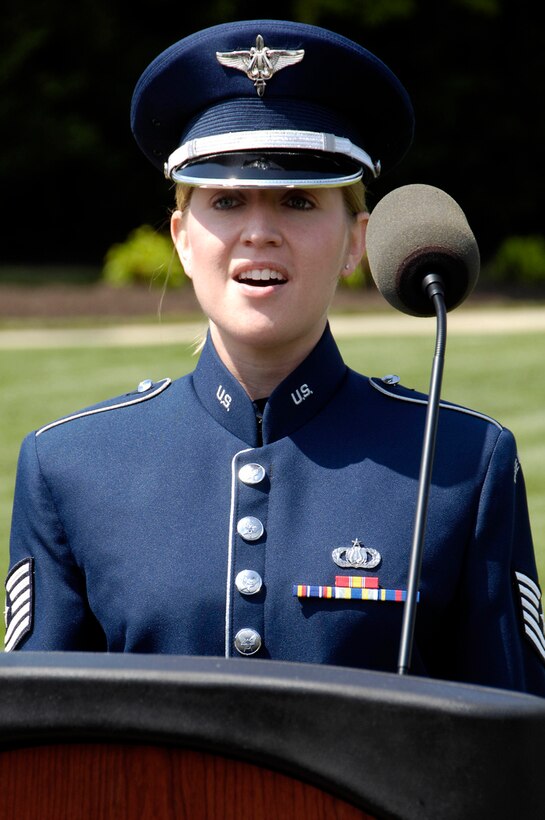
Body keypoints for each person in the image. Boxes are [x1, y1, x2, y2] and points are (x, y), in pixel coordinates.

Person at [4, 20, 545, 697]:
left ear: (357, 240)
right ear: (181, 236)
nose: (259, 232)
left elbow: (512, 752)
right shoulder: (70, 466)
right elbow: (37, 756)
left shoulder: (463, 466)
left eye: (298, 200)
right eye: (225, 200)